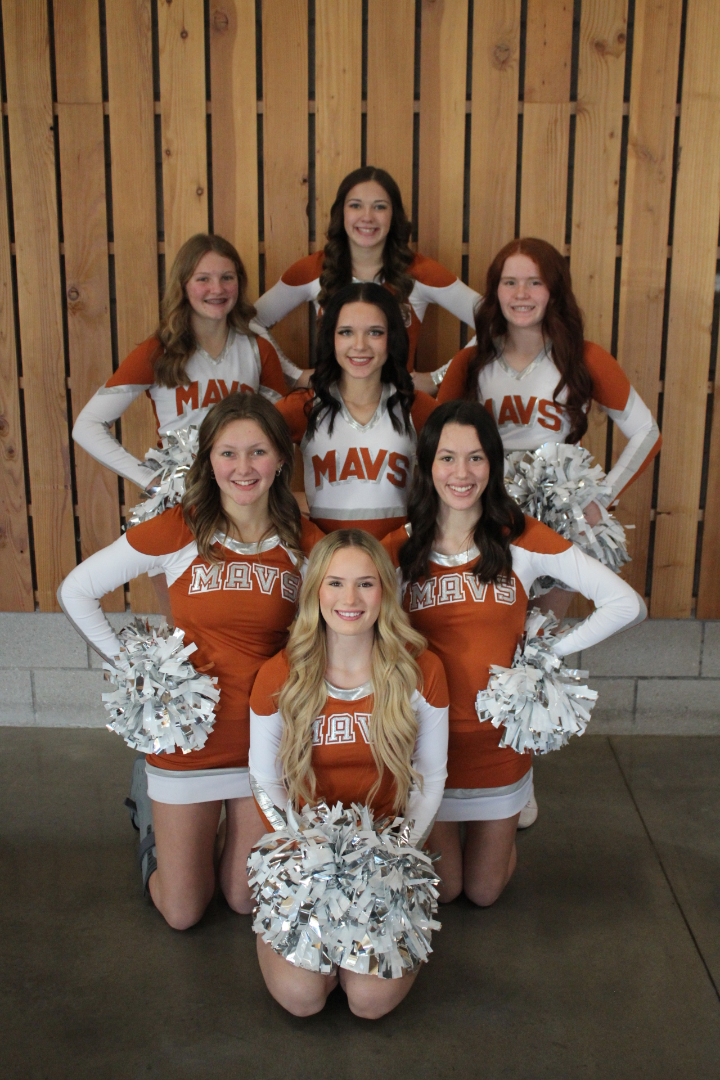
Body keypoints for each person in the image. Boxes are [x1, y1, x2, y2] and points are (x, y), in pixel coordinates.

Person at [59, 393, 323, 930]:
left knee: (245, 900)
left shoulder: (302, 539)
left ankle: (206, 845)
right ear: (209, 461)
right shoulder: (182, 527)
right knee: (183, 912)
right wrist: (141, 673)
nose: (243, 467)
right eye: (228, 453)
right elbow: (76, 590)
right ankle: (152, 825)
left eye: (258, 452)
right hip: (188, 742)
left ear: (280, 460)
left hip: (264, 741)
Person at [382, 401, 646, 908]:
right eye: (447, 458)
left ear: (493, 464)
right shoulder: (402, 547)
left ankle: (506, 826)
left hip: (499, 746)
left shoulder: (519, 537)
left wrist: (544, 655)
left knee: (483, 893)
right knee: (446, 890)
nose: (462, 473)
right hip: (427, 749)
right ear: (428, 465)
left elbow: (627, 605)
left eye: (476, 458)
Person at [248, 529, 449, 1018]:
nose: (350, 599)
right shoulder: (280, 673)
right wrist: (303, 851)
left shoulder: (422, 670)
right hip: (307, 853)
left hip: (387, 851)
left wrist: (398, 854)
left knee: (369, 1002)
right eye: (335, 583)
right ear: (315, 591)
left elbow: (432, 776)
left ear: (385, 591)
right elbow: (263, 778)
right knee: (302, 999)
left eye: (366, 584)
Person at [437, 237, 662, 622]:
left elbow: (647, 432)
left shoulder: (584, 357)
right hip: (486, 508)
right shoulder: (472, 360)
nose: (521, 294)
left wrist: (601, 497)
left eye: (535, 282)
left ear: (554, 290)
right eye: (510, 282)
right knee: (492, 629)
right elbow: (434, 441)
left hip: (557, 516)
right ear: (495, 291)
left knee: (540, 634)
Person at [73, 233, 288, 496]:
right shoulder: (158, 352)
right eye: (203, 279)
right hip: (184, 498)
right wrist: (150, 480)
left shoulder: (258, 350)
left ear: (239, 283)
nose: (217, 289)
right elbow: (87, 425)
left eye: (227, 277)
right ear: (183, 285)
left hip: (244, 496)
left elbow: (281, 430)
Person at [254, 166, 479, 392]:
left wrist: (438, 378)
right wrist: (294, 376)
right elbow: (251, 321)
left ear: (394, 214)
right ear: (341, 212)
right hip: (329, 405)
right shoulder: (313, 269)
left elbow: (492, 320)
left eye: (380, 207)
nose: (367, 217)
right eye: (355, 205)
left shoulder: (421, 271)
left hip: (399, 406)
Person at [275, 282, 436, 540]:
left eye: (375, 332)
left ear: (391, 338)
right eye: (346, 332)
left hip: (396, 559)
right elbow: (246, 454)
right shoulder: (304, 407)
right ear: (331, 338)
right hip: (323, 559)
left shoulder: (414, 407)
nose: (360, 345)